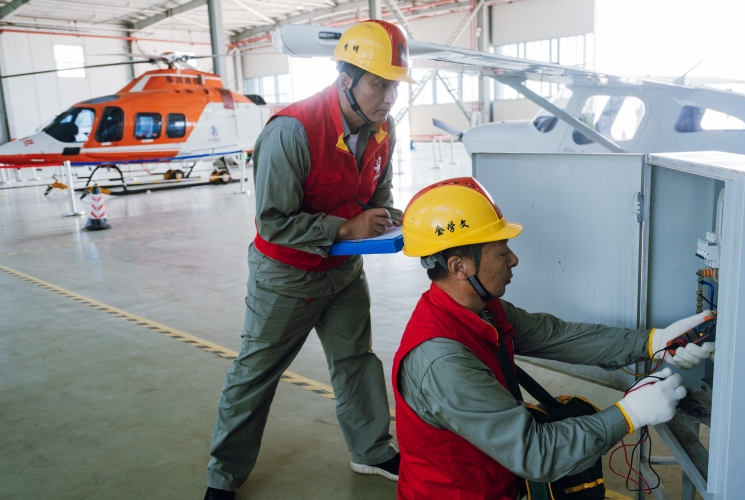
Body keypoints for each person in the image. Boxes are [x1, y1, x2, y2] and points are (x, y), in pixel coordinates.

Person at [392, 177, 716, 499]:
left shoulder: (482, 310)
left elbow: (558, 336)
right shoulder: (441, 362)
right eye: (502, 252)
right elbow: (535, 452)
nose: (513, 260)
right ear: (459, 266)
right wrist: (629, 414)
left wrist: (654, 341)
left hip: (496, 481)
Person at [204, 20, 416, 500]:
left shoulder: (385, 129)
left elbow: (375, 197)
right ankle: (223, 476)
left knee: (356, 361)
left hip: (343, 272)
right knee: (256, 374)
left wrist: (396, 219)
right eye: (378, 84)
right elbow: (274, 222)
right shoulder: (292, 131)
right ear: (345, 80)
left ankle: (372, 450)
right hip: (286, 278)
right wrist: (344, 228)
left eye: (394, 86)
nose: (388, 98)